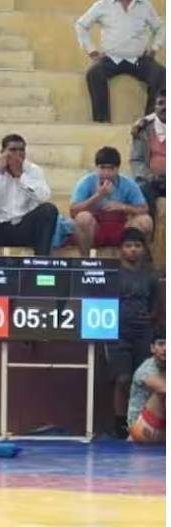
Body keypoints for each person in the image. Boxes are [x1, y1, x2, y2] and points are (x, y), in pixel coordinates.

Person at [105, 227, 161, 439]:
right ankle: (120, 424)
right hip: (117, 332)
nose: (133, 250)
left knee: (144, 379)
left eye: (137, 245)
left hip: (143, 333)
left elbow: (155, 305)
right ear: (120, 249)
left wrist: (148, 322)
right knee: (122, 379)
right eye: (128, 246)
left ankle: (141, 421)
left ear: (144, 249)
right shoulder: (112, 275)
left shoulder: (151, 276)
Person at [75, 0, 165, 123]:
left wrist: (155, 48)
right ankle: (102, 122)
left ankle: (150, 123)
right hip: (111, 59)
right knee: (94, 74)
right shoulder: (103, 4)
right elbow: (81, 25)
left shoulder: (144, 5)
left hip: (138, 59)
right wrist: (92, 50)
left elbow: (160, 27)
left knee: (161, 74)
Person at [0, 134, 58, 256]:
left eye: (21, 150)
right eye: (13, 150)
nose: (17, 154)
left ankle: (41, 260)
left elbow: (44, 197)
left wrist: (21, 176)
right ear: (2, 153)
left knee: (49, 209)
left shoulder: (33, 170)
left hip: (24, 227)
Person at [70, 146, 152, 256]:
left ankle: (136, 261)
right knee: (82, 218)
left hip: (122, 227)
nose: (106, 173)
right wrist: (98, 195)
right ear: (96, 168)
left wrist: (122, 207)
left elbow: (144, 208)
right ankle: (86, 260)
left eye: (111, 169)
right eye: (102, 168)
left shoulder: (128, 183)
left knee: (145, 221)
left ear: (118, 169)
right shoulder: (86, 182)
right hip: (95, 227)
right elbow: (73, 211)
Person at [130, 89, 165, 223]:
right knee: (141, 188)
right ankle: (148, 229)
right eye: (160, 103)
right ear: (154, 108)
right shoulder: (143, 130)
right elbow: (136, 160)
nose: (164, 107)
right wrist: (150, 176)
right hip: (150, 180)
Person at [127, 330, 165, 443]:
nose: (166, 348)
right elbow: (163, 389)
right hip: (141, 428)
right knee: (162, 394)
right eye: (161, 344)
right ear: (152, 348)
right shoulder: (146, 369)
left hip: (162, 427)